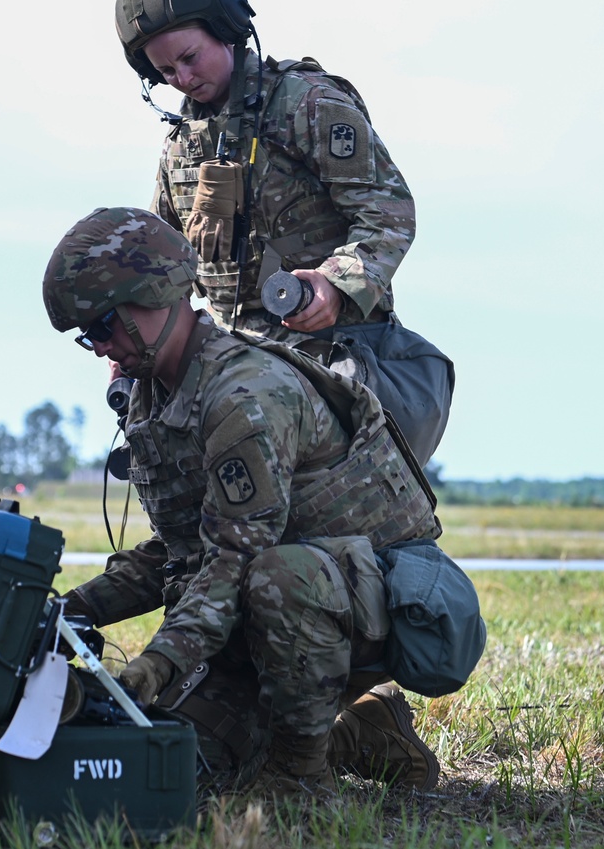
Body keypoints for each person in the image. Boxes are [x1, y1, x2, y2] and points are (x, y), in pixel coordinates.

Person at [43, 206, 450, 801]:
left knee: (280, 577)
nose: (100, 349)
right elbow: (181, 550)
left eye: (103, 327)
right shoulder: (157, 394)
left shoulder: (245, 396)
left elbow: (234, 562)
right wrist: (70, 612)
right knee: (189, 758)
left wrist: (156, 664)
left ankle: (302, 776)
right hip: (268, 612)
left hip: (362, 607)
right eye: (89, 336)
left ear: (155, 295)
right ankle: (362, 733)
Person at [114, 0, 454, 467]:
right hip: (230, 373)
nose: (182, 79)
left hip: (327, 362)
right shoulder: (180, 147)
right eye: (165, 72)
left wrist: (335, 286)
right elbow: (163, 266)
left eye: (189, 58)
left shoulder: (307, 104)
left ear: (228, 32)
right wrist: (128, 343)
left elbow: (388, 211)